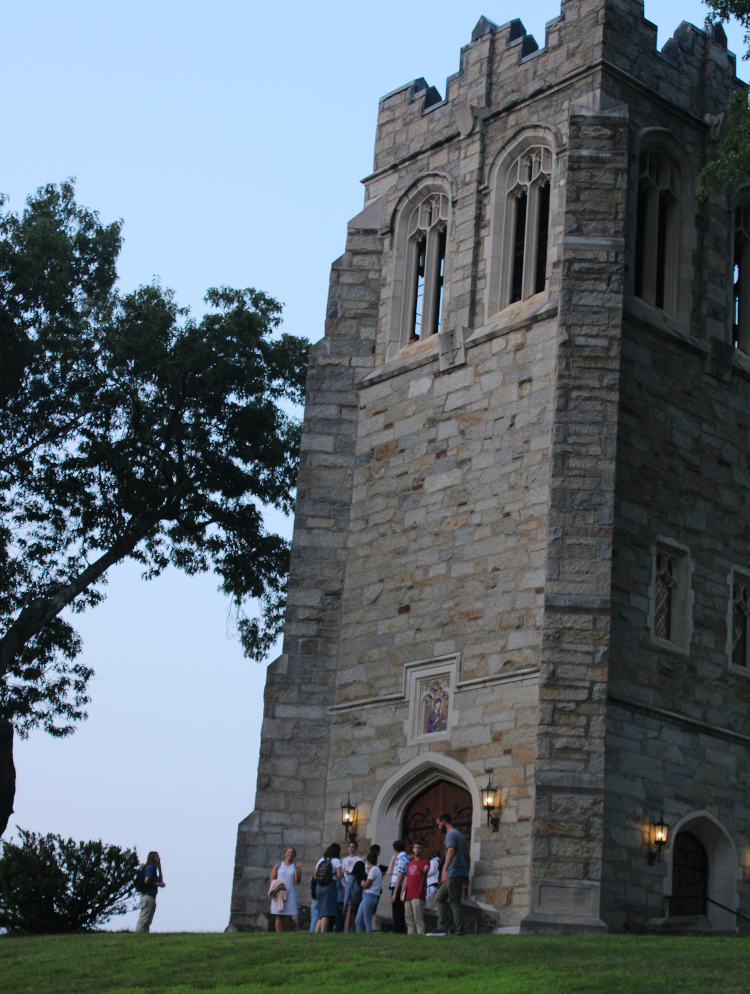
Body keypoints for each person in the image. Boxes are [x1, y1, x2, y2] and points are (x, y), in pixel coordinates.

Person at [432, 813, 470, 936]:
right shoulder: (460, 835)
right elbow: (466, 856)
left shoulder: (450, 834)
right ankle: (442, 927)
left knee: (454, 902)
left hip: (453, 872)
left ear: (443, 822)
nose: (438, 828)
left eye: (438, 825)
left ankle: (459, 931)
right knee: (439, 897)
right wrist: (466, 876)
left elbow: (451, 851)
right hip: (458, 872)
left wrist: (444, 870)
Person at [399, 841, 430, 935]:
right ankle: (411, 938)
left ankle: (420, 937)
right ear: (413, 849)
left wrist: (423, 870)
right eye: (416, 847)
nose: (417, 849)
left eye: (419, 848)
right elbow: (406, 878)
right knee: (409, 919)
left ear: (422, 850)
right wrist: (402, 892)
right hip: (408, 894)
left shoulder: (425, 861)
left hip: (418, 893)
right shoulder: (410, 864)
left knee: (418, 919)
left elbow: (426, 868)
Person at [269, 847, 301, 932]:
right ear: (285, 854)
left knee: (288, 916)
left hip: (290, 893)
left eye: (292, 853)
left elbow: (297, 881)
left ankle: (286, 934)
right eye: (288, 852)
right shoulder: (278, 865)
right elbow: (272, 879)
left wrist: (297, 871)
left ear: (294, 856)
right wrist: (279, 885)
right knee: (279, 916)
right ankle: (279, 934)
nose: (290, 854)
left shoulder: (294, 867)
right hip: (279, 893)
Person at [314, 843, 343, 932]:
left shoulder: (321, 860)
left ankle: (316, 932)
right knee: (326, 913)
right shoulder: (336, 861)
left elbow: (315, 876)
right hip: (330, 887)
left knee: (321, 913)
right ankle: (323, 933)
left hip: (319, 886)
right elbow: (339, 876)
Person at [135, 851, 165, 933]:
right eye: (157, 856)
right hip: (147, 896)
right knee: (144, 918)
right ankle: (138, 935)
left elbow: (160, 880)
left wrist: (159, 869)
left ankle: (144, 936)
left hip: (151, 896)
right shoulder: (150, 867)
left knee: (148, 920)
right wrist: (159, 885)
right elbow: (147, 881)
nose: (159, 858)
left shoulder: (154, 869)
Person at [355, 850, 382, 933]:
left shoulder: (374, 869)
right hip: (367, 895)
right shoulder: (375, 869)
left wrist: (361, 882)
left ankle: (368, 937)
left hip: (370, 896)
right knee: (358, 920)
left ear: (367, 861)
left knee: (367, 921)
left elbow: (367, 884)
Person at [387, 840, 409, 933]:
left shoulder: (402, 859)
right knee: (397, 911)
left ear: (395, 849)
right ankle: (398, 929)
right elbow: (389, 872)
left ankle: (399, 930)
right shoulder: (401, 858)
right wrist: (393, 859)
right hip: (397, 886)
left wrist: (395, 894)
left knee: (398, 912)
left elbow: (400, 876)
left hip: (399, 887)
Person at [343, 859, 367, 931]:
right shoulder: (364, 878)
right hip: (360, 902)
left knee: (350, 923)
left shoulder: (351, 878)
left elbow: (347, 892)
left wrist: (345, 906)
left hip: (352, 902)